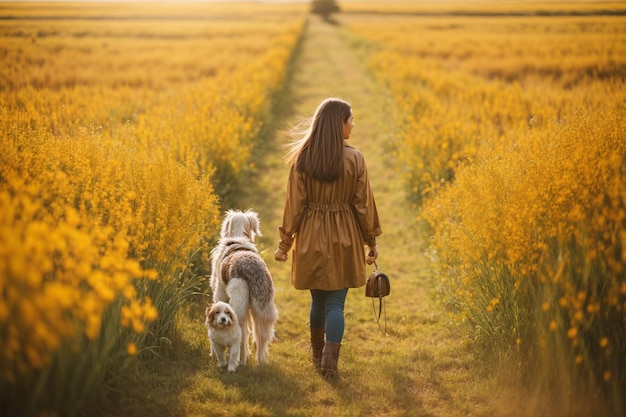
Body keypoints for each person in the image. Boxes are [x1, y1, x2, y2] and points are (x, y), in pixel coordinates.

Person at [274, 97, 382, 378]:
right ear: (339, 124)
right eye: (351, 119)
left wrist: (285, 244)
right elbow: (362, 205)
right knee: (336, 304)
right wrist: (371, 241)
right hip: (344, 237)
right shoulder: (355, 158)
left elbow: (294, 207)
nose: (353, 125)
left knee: (318, 303)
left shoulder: (303, 157)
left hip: (310, 236)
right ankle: (329, 361)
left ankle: (315, 354)